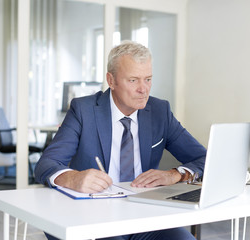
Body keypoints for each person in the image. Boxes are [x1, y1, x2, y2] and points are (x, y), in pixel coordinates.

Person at [35, 40, 207, 240]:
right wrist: (74, 178)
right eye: (133, 80)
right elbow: (46, 164)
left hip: (144, 216)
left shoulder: (160, 111)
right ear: (111, 80)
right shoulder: (84, 110)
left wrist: (175, 174)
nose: (143, 89)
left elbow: (204, 158)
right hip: (93, 216)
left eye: (148, 79)